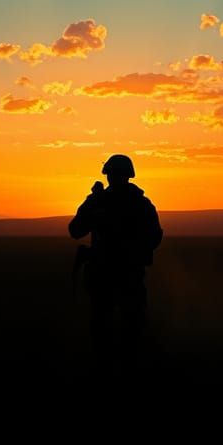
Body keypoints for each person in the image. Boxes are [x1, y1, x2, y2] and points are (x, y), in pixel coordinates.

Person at [68, 154, 163, 364]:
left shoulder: (134, 204)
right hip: (116, 275)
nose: (116, 178)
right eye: (115, 174)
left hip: (117, 275)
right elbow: (75, 230)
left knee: (117, 330)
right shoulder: (140, 204)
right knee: (119, 330)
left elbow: (75, 230)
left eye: (116, 174)